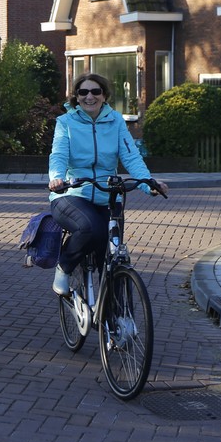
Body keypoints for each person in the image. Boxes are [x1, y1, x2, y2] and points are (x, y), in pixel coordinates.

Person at [47, 73, 169, 296]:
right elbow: (59, 154)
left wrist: (148, 183)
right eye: (83, 92)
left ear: (104, 95)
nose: (90, 96)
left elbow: (131, 156)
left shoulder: (116, 121)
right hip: (72, 192)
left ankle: (115, 312)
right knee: (90, 229)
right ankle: (64, 267)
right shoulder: (66, 123)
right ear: (76, 97)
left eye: (96, 91)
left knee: (111, 257)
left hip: (108, 195)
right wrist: (56, 178)